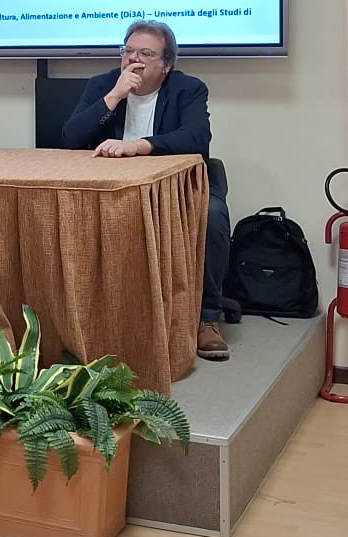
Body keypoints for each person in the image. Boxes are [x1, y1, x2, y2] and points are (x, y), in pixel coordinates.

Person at [61, 19, 234, 361]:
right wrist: (114, 97)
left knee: (213, 216)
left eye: (145, 53)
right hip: (110, 185)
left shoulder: (188, 89)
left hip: (175, 183)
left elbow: (196, 139)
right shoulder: (102, 86)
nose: (133, 60)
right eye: (128, 51)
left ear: (166, 65)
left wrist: (140, 146)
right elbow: (70, 138)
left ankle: (207, 318)